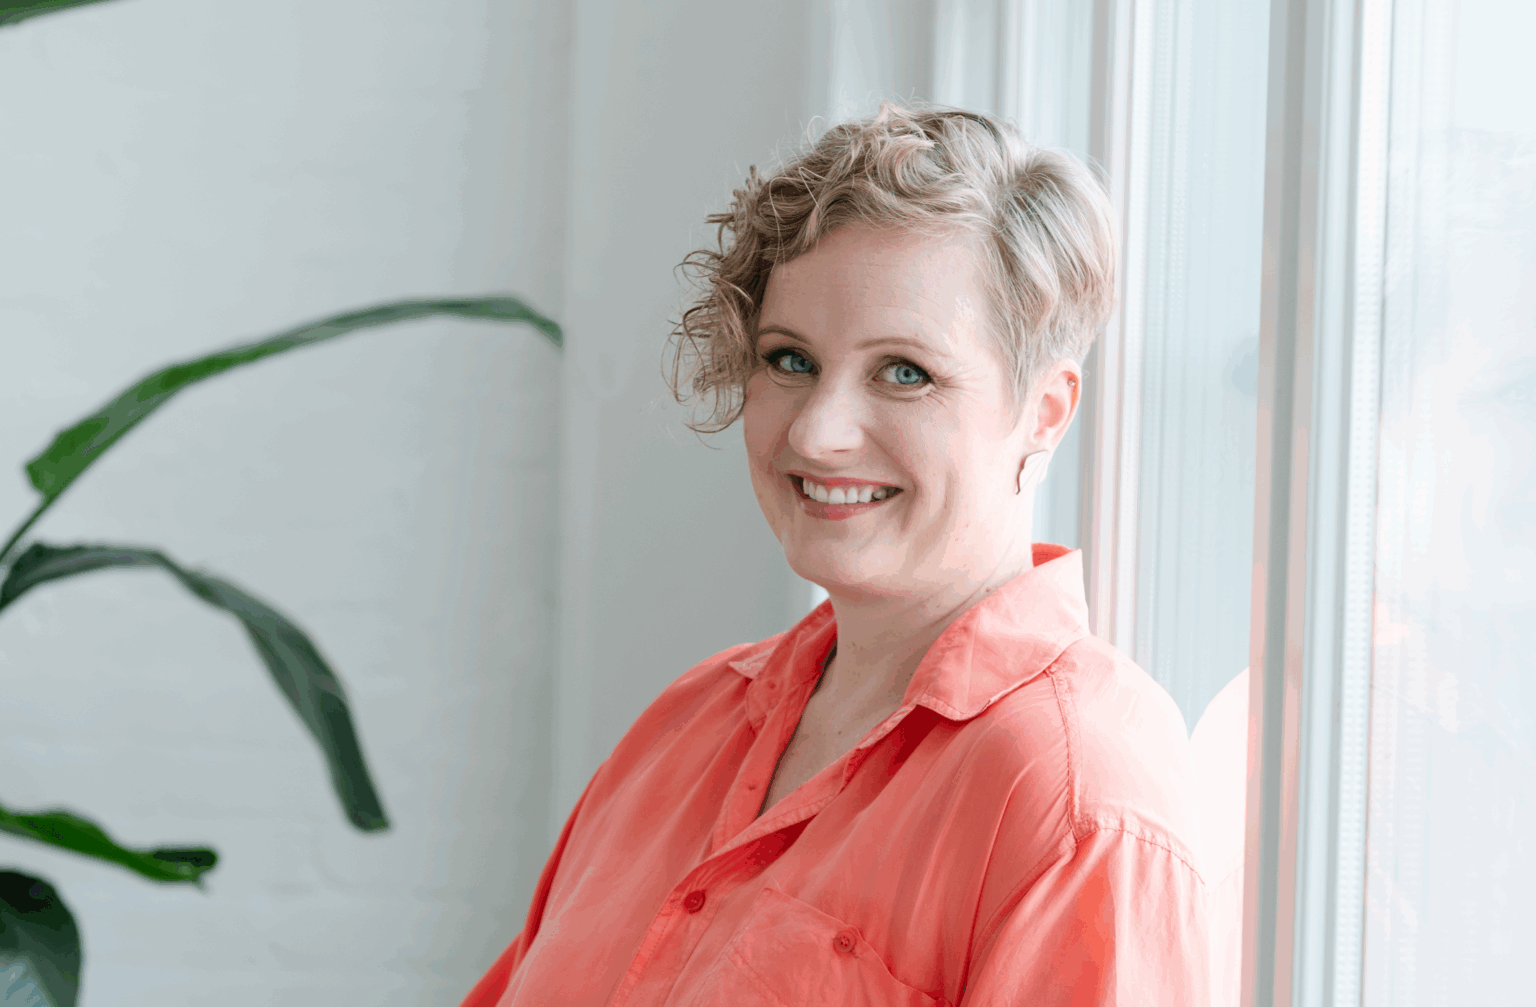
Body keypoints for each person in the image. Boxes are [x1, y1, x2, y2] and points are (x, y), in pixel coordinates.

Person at [461, 102, 1210, 1007]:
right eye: (790, 360)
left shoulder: (1075, 797)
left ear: (1043, 414)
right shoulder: (685, 722)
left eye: (905, 372)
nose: (817, 433)